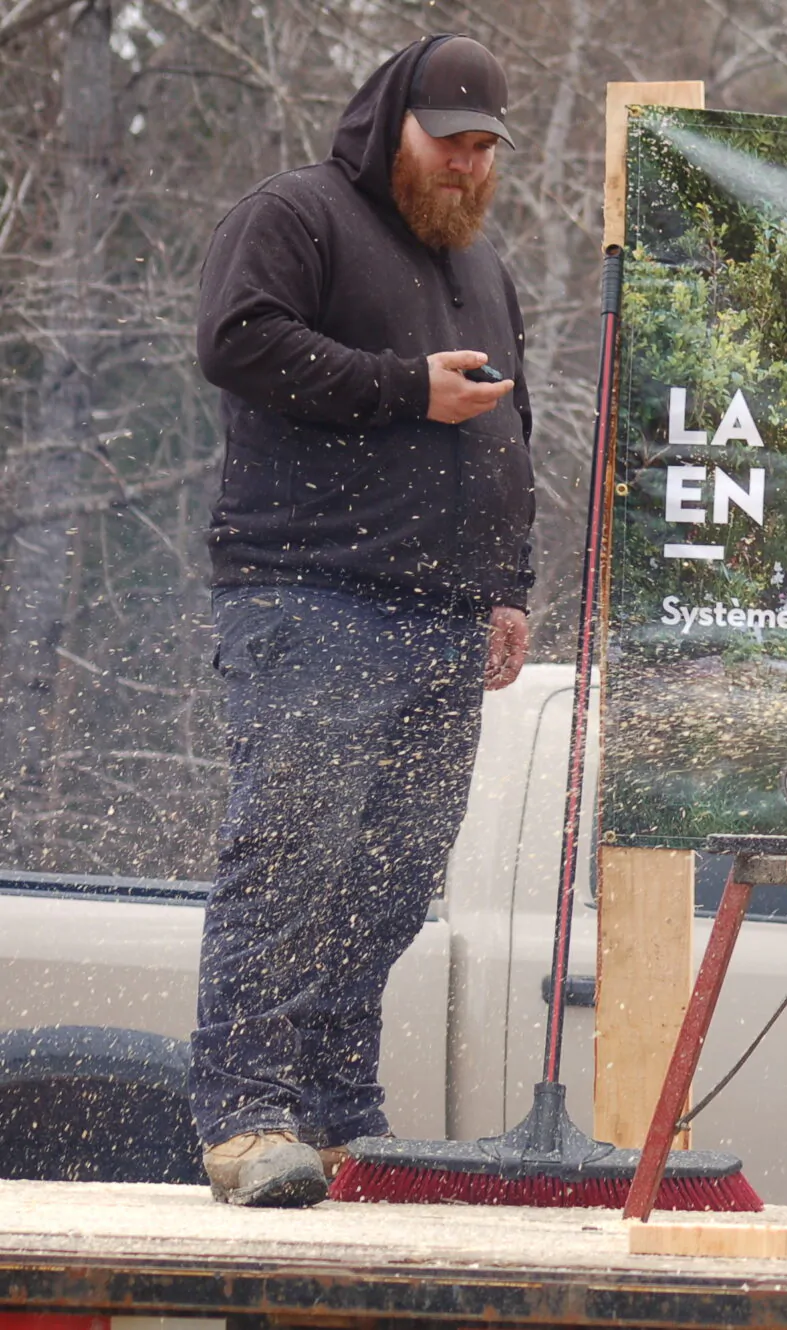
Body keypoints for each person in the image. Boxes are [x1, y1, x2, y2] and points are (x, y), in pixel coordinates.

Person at [190, 34, 535, 1207]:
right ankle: (244, 1117)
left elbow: (509, 434)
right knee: (288, 859)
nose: (467, 165)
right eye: (451, 142)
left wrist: (511, 584)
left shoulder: (482, 266)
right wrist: (405, 389)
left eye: (485, 148)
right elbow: (235, 342)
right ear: (393, 121)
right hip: (309, 593)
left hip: (444, 620)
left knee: (389, 883)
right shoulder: (299, 214)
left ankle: (342, 1114)